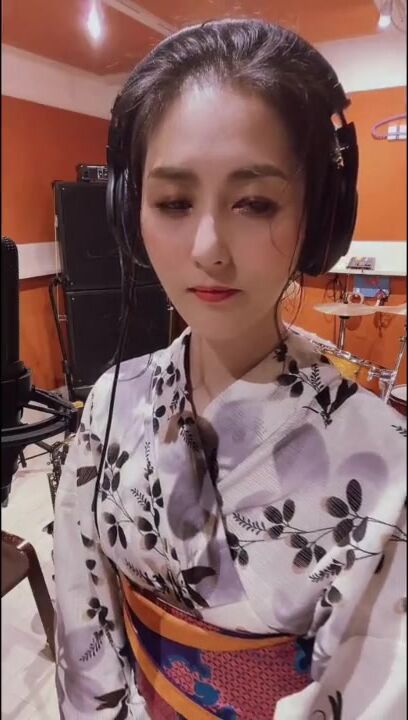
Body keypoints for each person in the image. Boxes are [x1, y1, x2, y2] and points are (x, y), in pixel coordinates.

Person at [53, 18, 406, 720]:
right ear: (130, 213)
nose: (208, 247)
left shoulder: (389, 467)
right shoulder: (111, 402)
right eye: (173, 202)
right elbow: (84, 628)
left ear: (318, 217)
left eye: (255, 203)